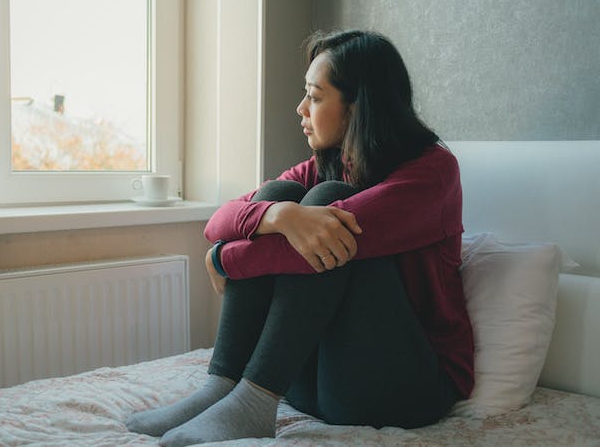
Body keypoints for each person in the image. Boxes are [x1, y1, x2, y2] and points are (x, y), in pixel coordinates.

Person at [126, 29, 474, 446]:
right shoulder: (329, 161)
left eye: (315, 95)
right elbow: (218, 221)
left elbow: (293, 242)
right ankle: (224, 389)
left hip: (408, 388)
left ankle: (251, 401)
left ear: (357, 105)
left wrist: (223, 260)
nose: (300, 108)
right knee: (279, 196)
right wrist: (277, 214)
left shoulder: (431, 174)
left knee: (328, 209)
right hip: (315, 383)